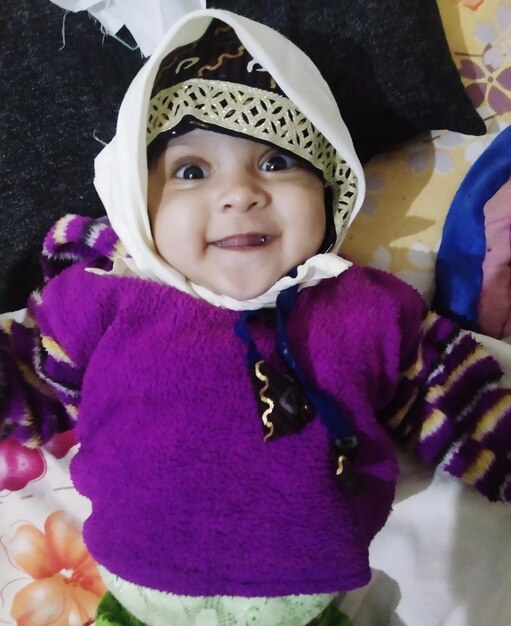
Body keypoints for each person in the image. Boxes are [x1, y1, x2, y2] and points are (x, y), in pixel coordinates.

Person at [1, 9, 510, 626]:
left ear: (331, 191)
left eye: (277, 162)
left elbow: (462, 402)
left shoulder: (371, 308)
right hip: (138, 599)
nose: (240, 193)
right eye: (191, 171)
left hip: (315, 603)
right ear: (137, 202)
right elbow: (22, 375)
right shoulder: (103, 298)